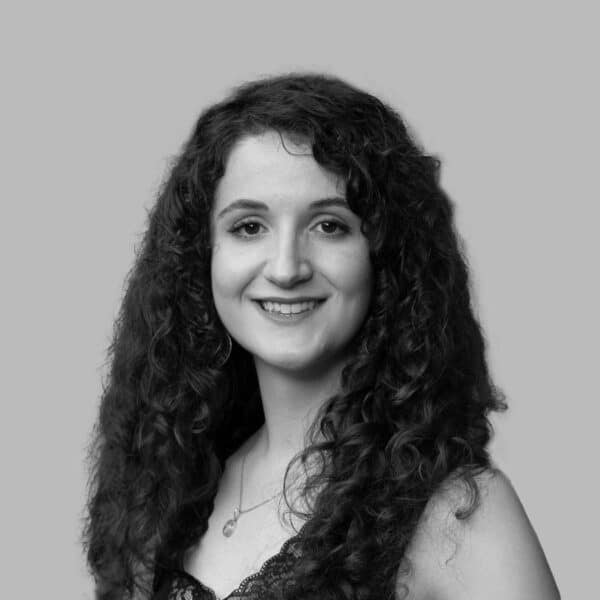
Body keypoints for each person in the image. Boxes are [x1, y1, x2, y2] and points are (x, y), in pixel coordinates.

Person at [84, 73, 560, 600]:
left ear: (386, 256)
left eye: (329, 226)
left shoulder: (461, 514)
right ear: (202, 257)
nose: (286, 268)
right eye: (249, 227)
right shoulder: (166, 487)